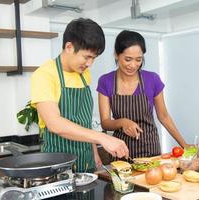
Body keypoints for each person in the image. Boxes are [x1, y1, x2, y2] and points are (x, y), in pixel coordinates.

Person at [31, 18, 129, 173]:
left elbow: (84, 120)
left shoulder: (84, 74)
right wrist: (102, 138)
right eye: (87, 57)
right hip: (58, 167)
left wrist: (94, 152)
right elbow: (54, 123)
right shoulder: (44, 75)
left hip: (86, 161)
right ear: (69, 47)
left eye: (94, 58)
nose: (90, 64)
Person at [97, 30, 189, 159]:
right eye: (128, 59)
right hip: (120, 150)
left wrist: (184, 145)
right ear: (116, 55)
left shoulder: (152, 79)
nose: (133, 65)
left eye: (138, 60)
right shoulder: (105, 81)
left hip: (150, 150)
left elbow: (164, 116)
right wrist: (123, 122)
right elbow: (105, 123)